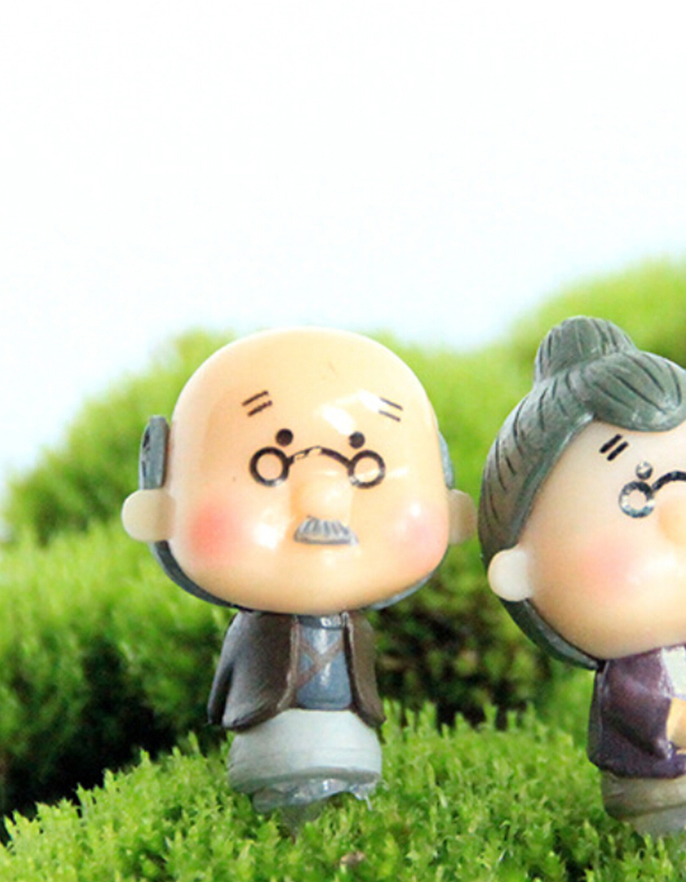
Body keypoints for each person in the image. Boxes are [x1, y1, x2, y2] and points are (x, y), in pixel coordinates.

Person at [123, 326, 475, 818]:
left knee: (349, 788)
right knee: (277, 786)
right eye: (269, 465)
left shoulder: (352, 625)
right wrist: (228, 708)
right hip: (270, 728)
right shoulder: (253, 628)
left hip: (349, 731)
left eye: (366, 468)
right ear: (159, 503)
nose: (324, 497)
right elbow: (228, 682)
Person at [479, 317, 686, 845]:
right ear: (519, 572)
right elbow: (628, 707)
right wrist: (672, 722)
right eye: (636, 499)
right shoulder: (627, 672)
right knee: (669, 849)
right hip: (653, 783)